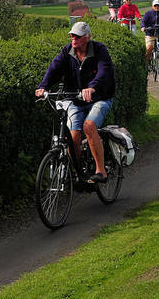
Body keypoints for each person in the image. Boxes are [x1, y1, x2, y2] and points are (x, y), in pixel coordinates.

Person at [35, 21, 115, 183]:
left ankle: (100, 171)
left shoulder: (100, 50)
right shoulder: (67, 51)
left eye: (77, 36)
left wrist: (92, 88)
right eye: (72, 35)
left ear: (87, 37)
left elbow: (104, 71)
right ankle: (78, 172)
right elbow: (54, 68)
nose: (73, 39)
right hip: (74, 99)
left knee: (89, 126)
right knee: (73, 136)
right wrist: (43, 86)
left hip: (99, 98)